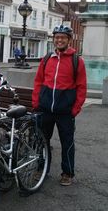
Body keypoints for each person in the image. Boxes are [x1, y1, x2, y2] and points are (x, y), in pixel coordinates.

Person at [32, 25, 87, 186]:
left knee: (67, 143)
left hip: (65, 111)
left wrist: (75, 109)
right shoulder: (47, 58)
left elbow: (81, 87)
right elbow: (38, 82)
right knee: (42, 141)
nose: (59, 40)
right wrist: (37, 102)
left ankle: (67, 173)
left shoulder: (77, 61)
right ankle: (42, 168)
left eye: (63, 37)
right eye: (57, 37)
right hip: (45, 109)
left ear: (69, 40)